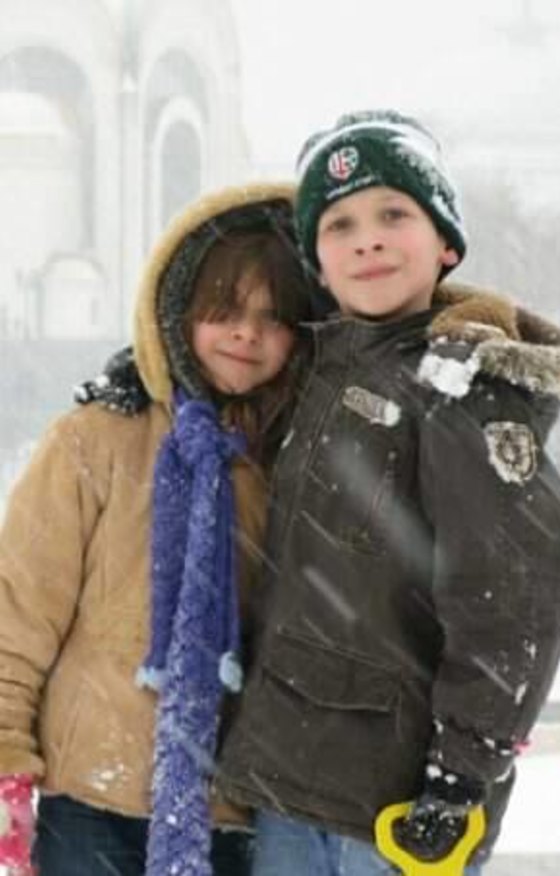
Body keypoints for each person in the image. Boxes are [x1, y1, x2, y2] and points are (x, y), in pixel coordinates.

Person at [216, 110, 560, 876]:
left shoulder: (464, 391)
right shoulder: (316, 369)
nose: (368, 238)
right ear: (317, 262)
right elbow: (220, 348)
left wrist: (462, 777)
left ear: (445, 243)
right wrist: (151, 369)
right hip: (286, 785)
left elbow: (515, 600)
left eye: (394, 214)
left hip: (393, 811)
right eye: (340, 224)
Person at [0, 182, 313, 876]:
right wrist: (6, 759)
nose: (246, 334)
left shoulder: (295, 461)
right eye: (224, 310)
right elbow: (18, 607)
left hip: (233, 804)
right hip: (91, 798)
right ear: (178, 311)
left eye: (273, 317)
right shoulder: (97, 439)